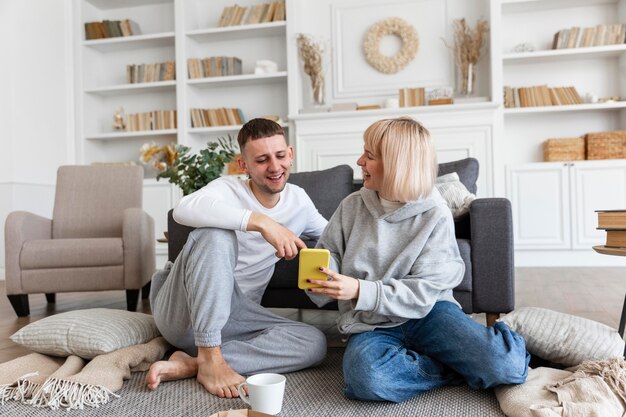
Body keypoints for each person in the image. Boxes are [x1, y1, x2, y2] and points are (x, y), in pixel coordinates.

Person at [305, 117, 530, 403]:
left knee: (506, 366)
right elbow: (331, 251)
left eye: (370, 156)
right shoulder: (351, 206)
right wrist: (326, 274)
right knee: (368, 379)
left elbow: (424, 291)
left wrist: (361, 290)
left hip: (430, 314)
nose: (359, 161)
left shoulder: (435, 213)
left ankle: (498, 339)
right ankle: (449, 367)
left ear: (397, 165)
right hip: (371, 322)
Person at [146, 118, 328, 398]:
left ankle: (197, 363)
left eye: (280, 156)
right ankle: (208, 351)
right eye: (262, 160)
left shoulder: (299, 201)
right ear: (244, 166)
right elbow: (182, 209)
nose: (275, 167)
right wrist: (261, 222)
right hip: (184, 311)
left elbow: (332, 237)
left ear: (290, 154)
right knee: (216, 234)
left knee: (314, 342)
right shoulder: (227, 190)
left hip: (237, 316)